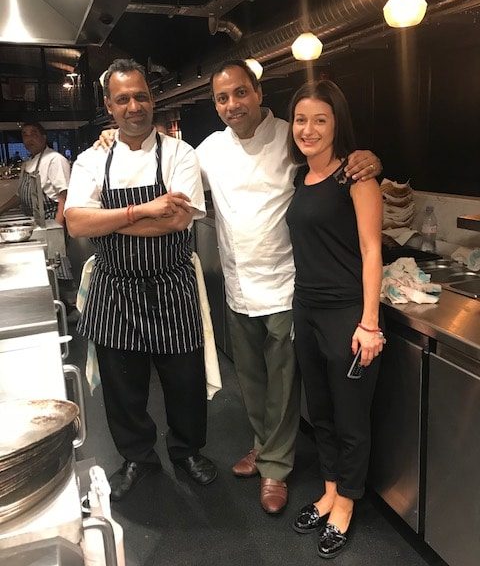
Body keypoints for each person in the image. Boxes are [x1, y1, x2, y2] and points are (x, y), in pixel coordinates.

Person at [95, 60, 381, 513]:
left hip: (288, 285)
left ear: (258, 92)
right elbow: (167, 175)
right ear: (215, 104)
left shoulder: (291, 136)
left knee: (283, 387)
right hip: (238, 286)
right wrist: (115, 141)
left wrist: (369, 158)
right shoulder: (206, 151)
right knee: (251, 382)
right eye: (222, 98)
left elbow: (336, 162)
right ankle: (265, 445)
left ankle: (276, 469)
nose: (233, 104)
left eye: (241, 93)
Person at [64, 58, 217, 501]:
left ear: (153, 100)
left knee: (184, 381)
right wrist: (146, 209)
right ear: (109, 107)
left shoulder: (179, 153)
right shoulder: (93, 159)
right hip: (115, 288)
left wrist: (107, 220)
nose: (134, 106)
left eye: (142, 96)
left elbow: (177, 223)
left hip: (172, 284)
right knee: (122, 387)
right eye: (123, 99)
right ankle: (137, 457)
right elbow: (75, 223)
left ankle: (187, 451)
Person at [285, 80, 384, 559]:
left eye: (320, 119)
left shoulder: (357, 177)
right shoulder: (299, 178)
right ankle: (328, 489)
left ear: (336, 124)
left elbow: (371, 251)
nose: (308, 129)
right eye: (301, 119)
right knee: (319, 410)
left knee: (350, 419)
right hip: (306, 309)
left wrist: (369, 322)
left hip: (346, 313)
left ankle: (346, 502)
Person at [0, 122, 70, 225]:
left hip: (51, 222)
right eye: (25, 135)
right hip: (35, 223)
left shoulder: (54, 159)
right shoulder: (27, 164)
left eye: (34, 134)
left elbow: (65, 196)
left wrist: (57, 228)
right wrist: (1, 209)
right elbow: (20, 196)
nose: (29, 139)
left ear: (44, 137)